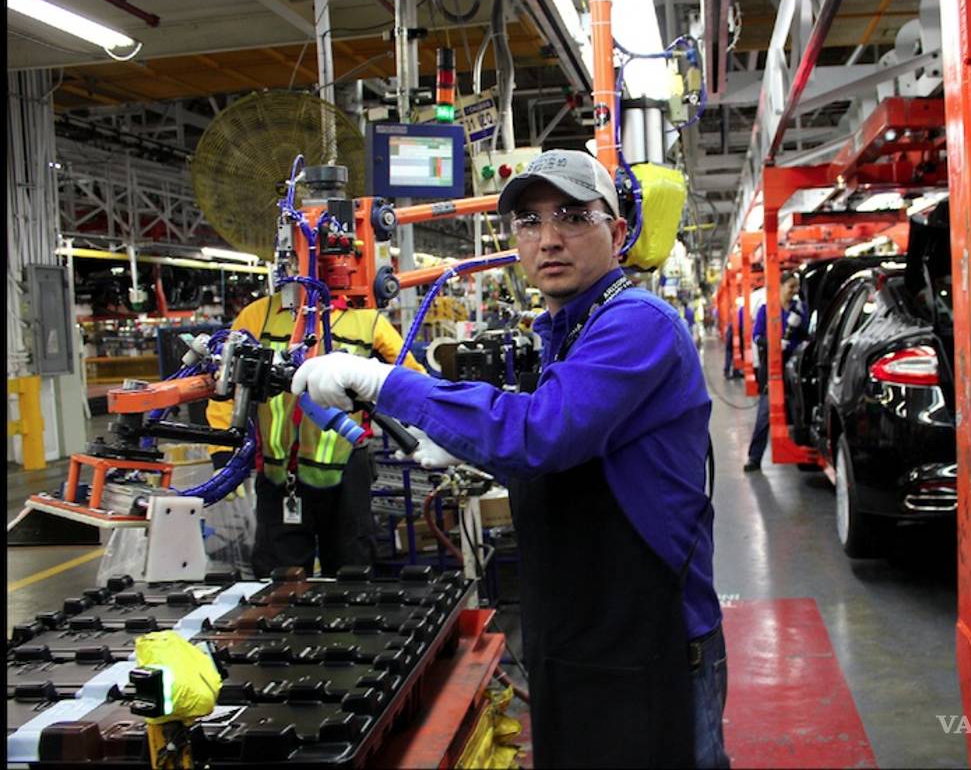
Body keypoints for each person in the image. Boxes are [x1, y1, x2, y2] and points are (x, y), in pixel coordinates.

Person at [291, 149, 729, 768]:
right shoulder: (568, 331)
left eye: (574, 216)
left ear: (619, 232)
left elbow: (542, 433)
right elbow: (582, 450)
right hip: (586, 635)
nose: (549, 239)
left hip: (652, 645)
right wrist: (463, 440)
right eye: (528, 220)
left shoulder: (639, 324)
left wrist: (386, 382)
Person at [207, 294, 427, 579]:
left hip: (346, 473)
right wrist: (223, 453)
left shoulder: (368, 321)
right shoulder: (258, 315)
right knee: (278, 582)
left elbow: (411, 379)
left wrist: (428, 428)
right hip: (280, 475)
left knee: (353, 573)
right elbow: (225, 386)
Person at [744, 272, 802, 472]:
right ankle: (754, 457)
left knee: (797, 409)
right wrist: (775, 344)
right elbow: (757, 337)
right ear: (780, 286)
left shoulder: (798, 310)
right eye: (791, 287)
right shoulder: (766, 310)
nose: (794, 291)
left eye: (797, 287)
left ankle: (799, 450)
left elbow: (806, 336)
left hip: (794, 369)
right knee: (765, 413)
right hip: (773, 370)